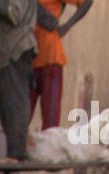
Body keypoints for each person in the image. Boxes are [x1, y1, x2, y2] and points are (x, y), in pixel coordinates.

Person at [0, 0, 37, 161]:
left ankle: (16, 152)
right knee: (4, 103)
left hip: (15, 48)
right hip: (11, 50)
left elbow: (14, 14)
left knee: (13, 103)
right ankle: (16, 151)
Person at [30, 0, 94, 130]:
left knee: (50, 124)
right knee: (19, 118)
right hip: (27, 60)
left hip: (51, 61)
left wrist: (66, 26)